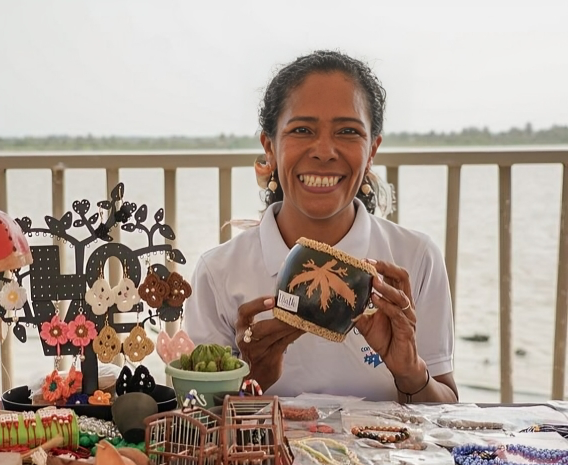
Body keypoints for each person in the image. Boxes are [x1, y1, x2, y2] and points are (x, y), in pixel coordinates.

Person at [184, 50, 458, 403]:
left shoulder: (415, 259)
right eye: (302, 130)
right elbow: (195, 420)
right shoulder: (218, 273)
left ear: (372, 150)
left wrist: (409, 371)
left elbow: (447, 417)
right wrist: (252, 379)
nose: (325, 150)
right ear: (269, 147)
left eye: (348, 131)